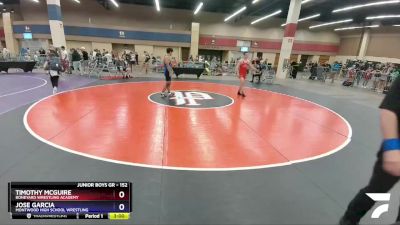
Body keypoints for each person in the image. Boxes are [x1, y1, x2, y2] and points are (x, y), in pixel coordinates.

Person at [339, 76, 400, 225]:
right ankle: (349, 220)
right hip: (397, 148)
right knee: (376, 189)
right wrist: (392, 149)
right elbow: (389, 110)